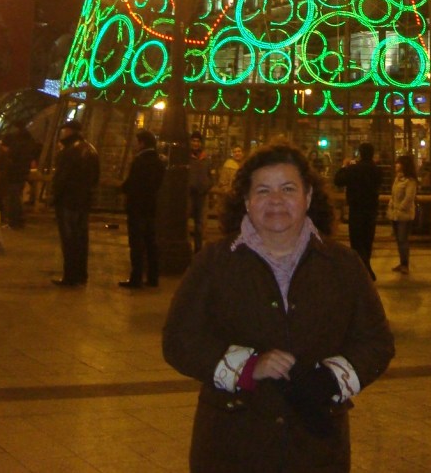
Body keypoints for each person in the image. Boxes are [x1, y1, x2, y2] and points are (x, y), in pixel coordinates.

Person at [162, 141, 394, 473]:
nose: (275, 200)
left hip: (315, 449)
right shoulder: (214, 263)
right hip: (232, 445)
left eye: (288, 189)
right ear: (246, 200)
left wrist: (332, 379)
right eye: (263, 190)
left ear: (308, 197)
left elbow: (376, 342)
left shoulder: (343, 265)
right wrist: (247, 366)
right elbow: (179, 339)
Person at [50, 119, 100, 287]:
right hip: (83, 201)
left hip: (68, 200)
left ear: (69, 131)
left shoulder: (69, 151)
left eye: (64, 130)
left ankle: (70, 276)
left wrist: (54, 196)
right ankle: (81, 274)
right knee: (81, 238)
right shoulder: (91, 150)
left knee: (69, 239)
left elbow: (61, 178)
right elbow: (96, 177)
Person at [118, 129, 166, 289]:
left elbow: (132, 183)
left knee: (136, 243)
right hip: (151, 206)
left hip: (136, 207)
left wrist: (122, 189)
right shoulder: (159, 162)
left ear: (142, 143)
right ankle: (153, 277)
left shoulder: (139, 161)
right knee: (151, 242)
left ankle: (136, 277)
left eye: (136, 142)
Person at [334, 143, 383, 279]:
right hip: (372, 209)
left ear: (360, 153)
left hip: (356, 208)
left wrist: (344, 166)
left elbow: (338, 181)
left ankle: (362, 269)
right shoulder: (377, 170)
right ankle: (366, 267)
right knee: (368, 240)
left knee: (357, 240)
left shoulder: (353, 169)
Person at [387, 153, 417, 274]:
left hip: (404, 215)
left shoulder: (410, 181)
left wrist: (400, 208)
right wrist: (391, 206)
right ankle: (402, 262)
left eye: (398, 163)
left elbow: (409, 197)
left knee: (403, 239)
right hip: (395, 214)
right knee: (399, 240)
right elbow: (393, 195)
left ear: (404, 165)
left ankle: (405, 264)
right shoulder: (397, 179)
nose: (396, 165)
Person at [4, 122, 39, 229]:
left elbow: (12, 156)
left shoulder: (17, 144)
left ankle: (14, 221)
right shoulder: (29, 142)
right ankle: (18, 220)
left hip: (15, 173)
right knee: (17, 196)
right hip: (22, 173)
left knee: (14, 197)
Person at [187, 131, 213, 254]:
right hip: (188, 195)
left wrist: (207, 186)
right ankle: (186, 246)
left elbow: (210, 176)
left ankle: (198, 249)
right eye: (193, 141)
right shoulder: (186, 158)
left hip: (201, 195)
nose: (195, 143)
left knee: (199, 223)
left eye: (198, 141)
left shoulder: (206, 159)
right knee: (185, 220)